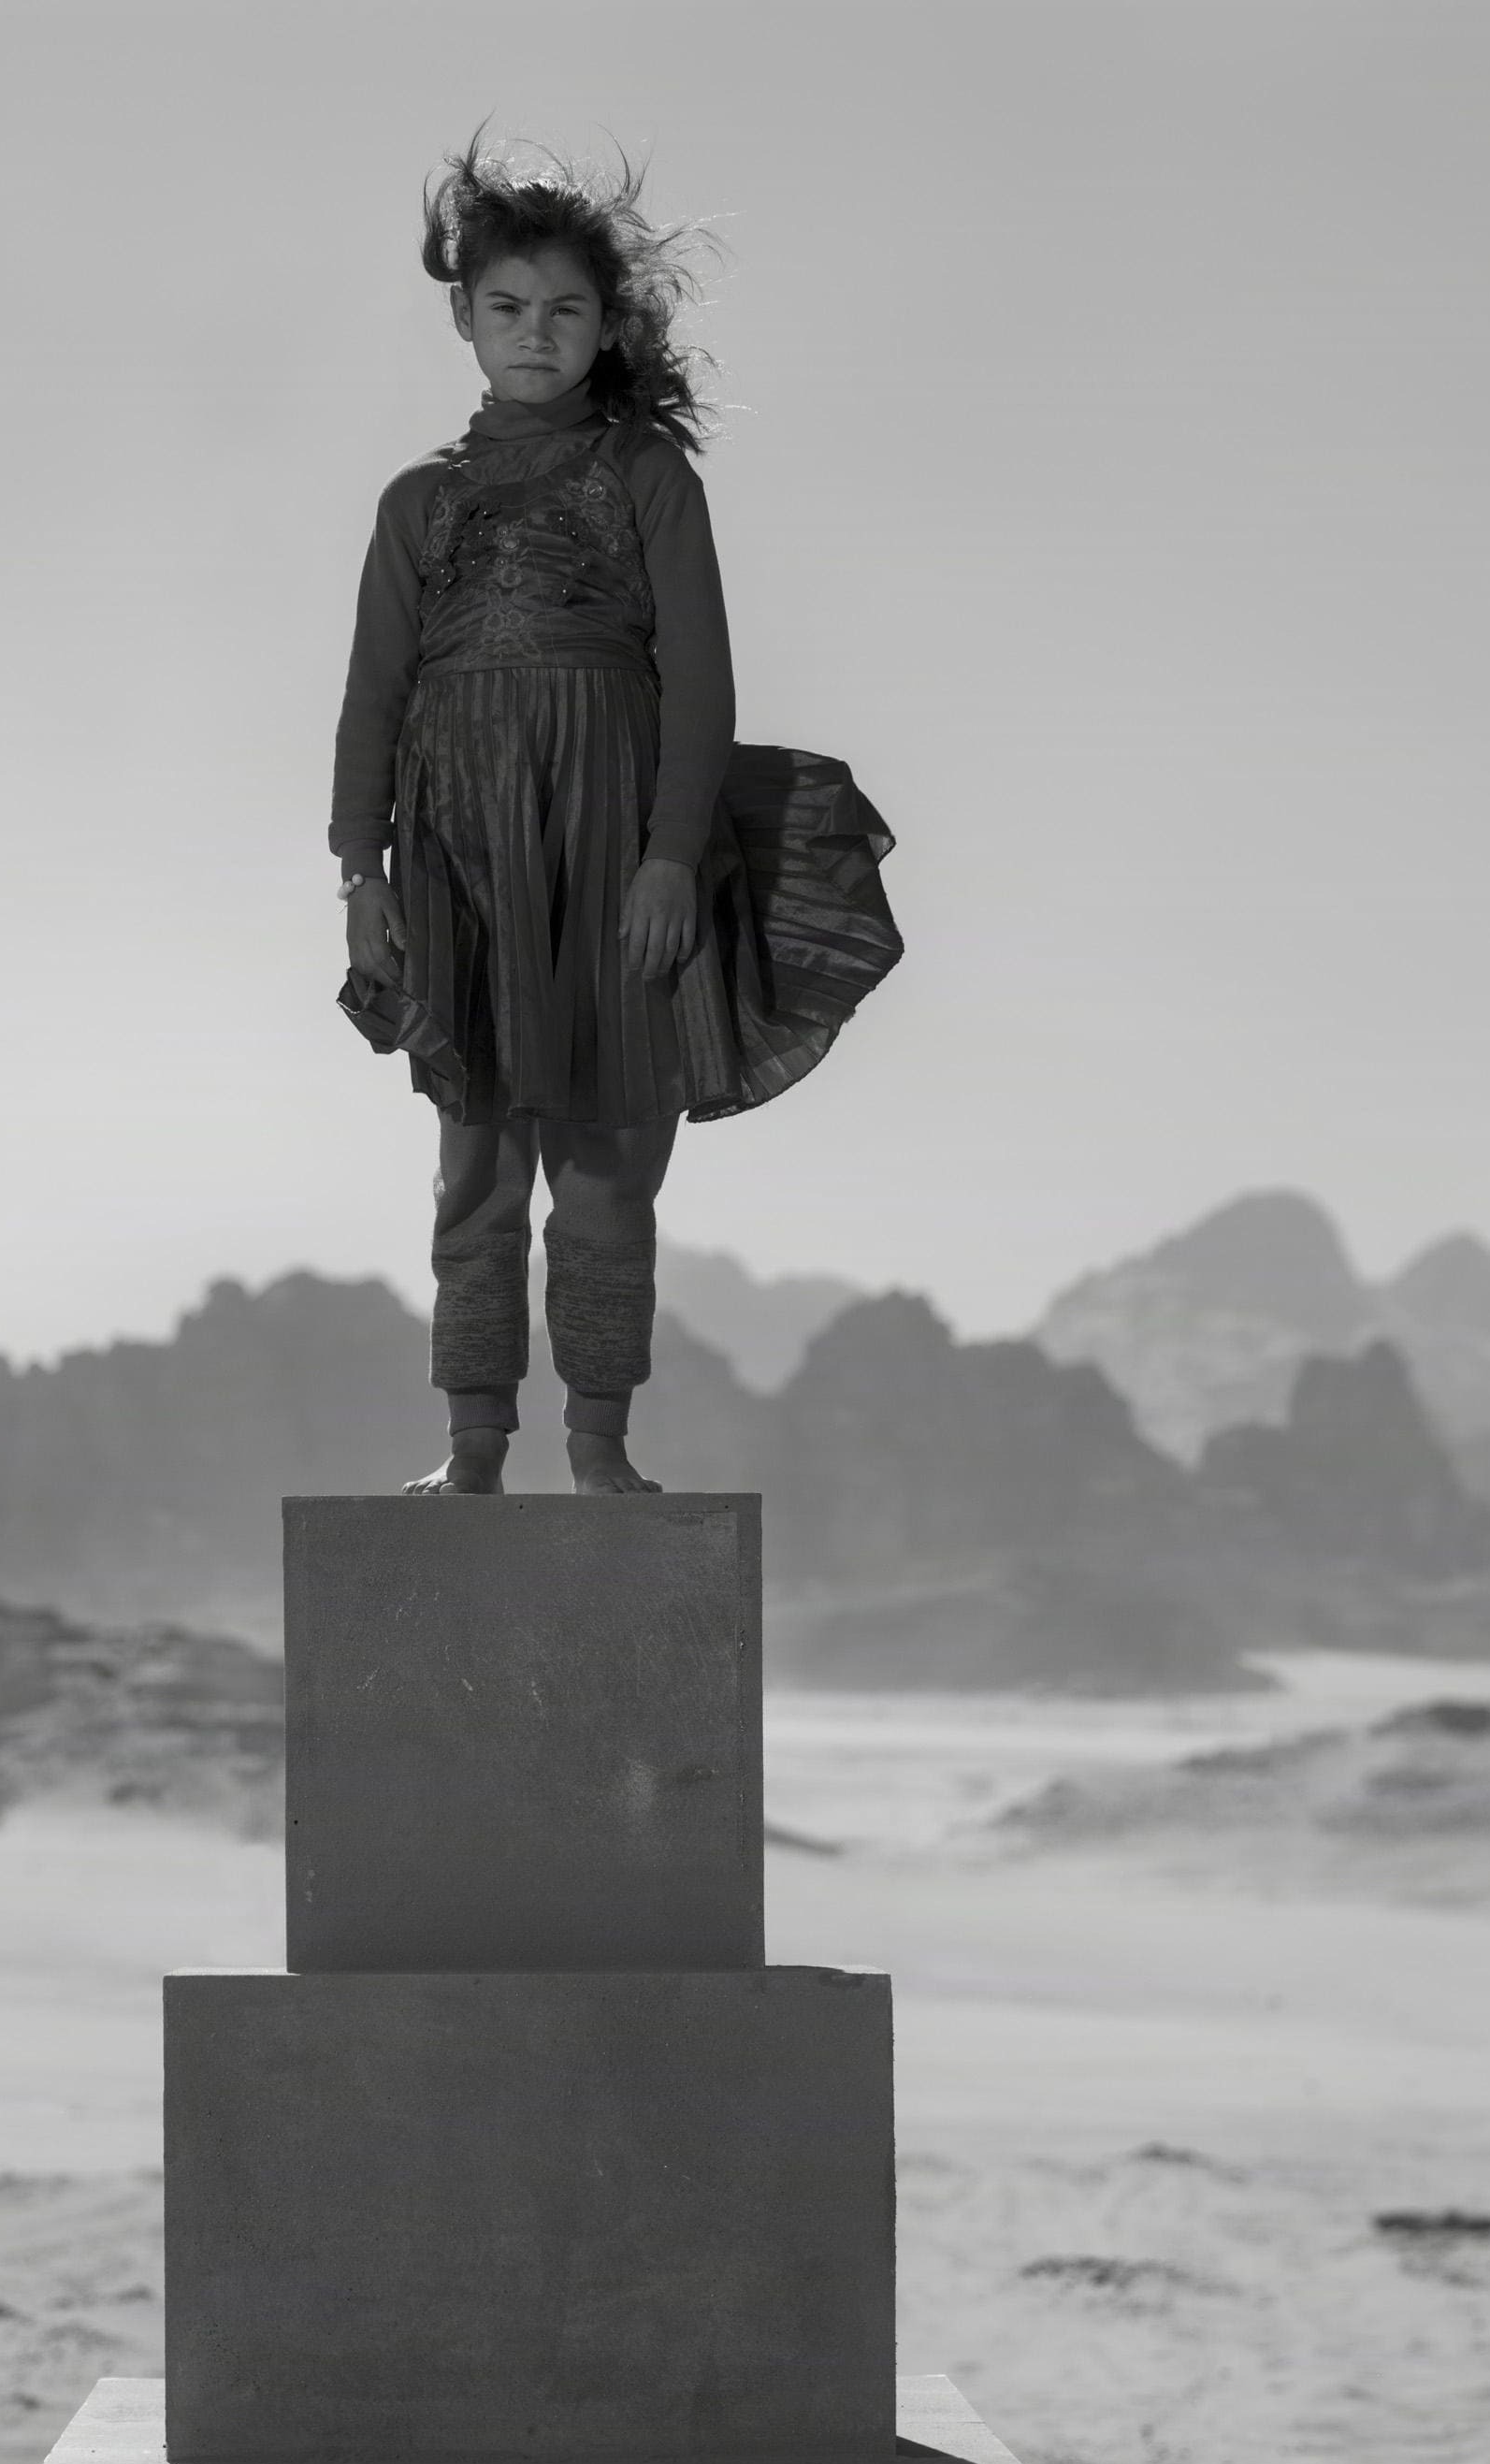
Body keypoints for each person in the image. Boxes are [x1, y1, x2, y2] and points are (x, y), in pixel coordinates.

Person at [330, 139, 891, 1499]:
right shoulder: (419, 505)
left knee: (605, 1166)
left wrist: (667, 860)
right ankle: (471, 1451)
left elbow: (701, 682)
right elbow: (373, 696)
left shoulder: (649, 480)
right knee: (475, 1164)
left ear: (606, 326)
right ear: (463, 316)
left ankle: (598, 1450)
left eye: (567, 309)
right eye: (509, 307)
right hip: (463, 864)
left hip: (617, 857)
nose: (537, 333)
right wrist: (363, 868)